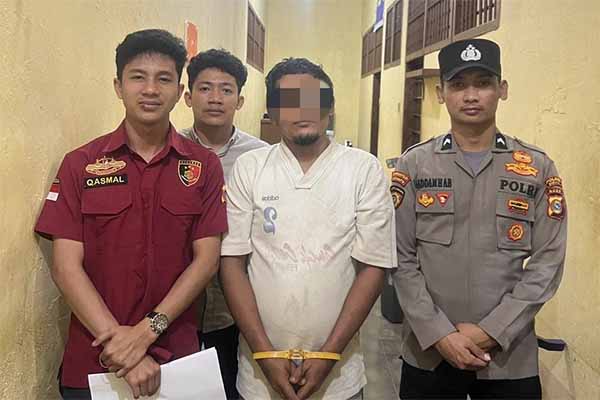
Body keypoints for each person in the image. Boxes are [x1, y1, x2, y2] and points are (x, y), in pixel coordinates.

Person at [34, 29, 227, 399]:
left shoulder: (203, 166)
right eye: (138, 77)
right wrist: (123, 347)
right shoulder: (80, 164)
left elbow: (206, 261)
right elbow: (65, 267)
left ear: (178, 91)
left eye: (163, 79)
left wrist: (146, 332)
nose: (150, 89)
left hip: (178, 363)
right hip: (95, 361)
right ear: (118, 87)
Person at [392, 38, 567, 400]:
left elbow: (548, 262)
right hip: (429, 353)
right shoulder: (415, 164)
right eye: (458, 84)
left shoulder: (536, 167)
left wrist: (492, 331)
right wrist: (440, 333)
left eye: (483, 83)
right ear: (441, 93)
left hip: (509, 358)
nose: (471, 96)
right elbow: (400, 256)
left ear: (502, 89)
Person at [219, 57, 397, 400]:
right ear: (272, 112)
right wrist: (264, 354)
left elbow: (373, 267)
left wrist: (329, 355)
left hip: (340, 375)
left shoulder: (363, 170)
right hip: (258, 375)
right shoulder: (250, 168)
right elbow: (232, 264)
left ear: (330, 106)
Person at [180, 48, 267, 399]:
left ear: (240, 100)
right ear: (188, 97)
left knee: (233, 388)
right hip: (177, 307)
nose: (215, 98)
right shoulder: (170, 150)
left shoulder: (261, 157)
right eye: (205, 88)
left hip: (238, 310)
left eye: (226, 89)